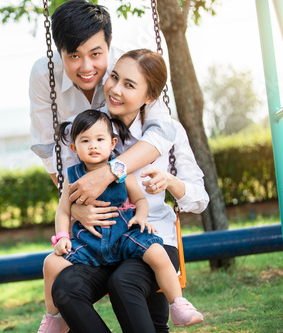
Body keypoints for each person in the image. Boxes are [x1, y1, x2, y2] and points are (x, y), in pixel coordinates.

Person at [49, 49, 209, 332]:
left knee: (124, 282)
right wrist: (76, 208)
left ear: (149, 97)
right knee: (64, 287)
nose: (115, 89)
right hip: (99, 245)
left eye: (129, 84)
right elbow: (71, 189)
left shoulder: (167, 131)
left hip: (151, 239)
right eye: (114, 77)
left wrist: (170, 181)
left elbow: (199, 199)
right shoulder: (90, 128)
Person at [29, 0, 176, 189]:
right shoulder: (44, 74)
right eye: (74, 56)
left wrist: (109, 172)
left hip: (133, 185)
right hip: (78, 184)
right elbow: (48, 148)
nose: (86, 67)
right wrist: (73, 203)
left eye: (95, 54)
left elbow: (162, 131)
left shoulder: (128, 68)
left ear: (109, 42)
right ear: (59, 51)